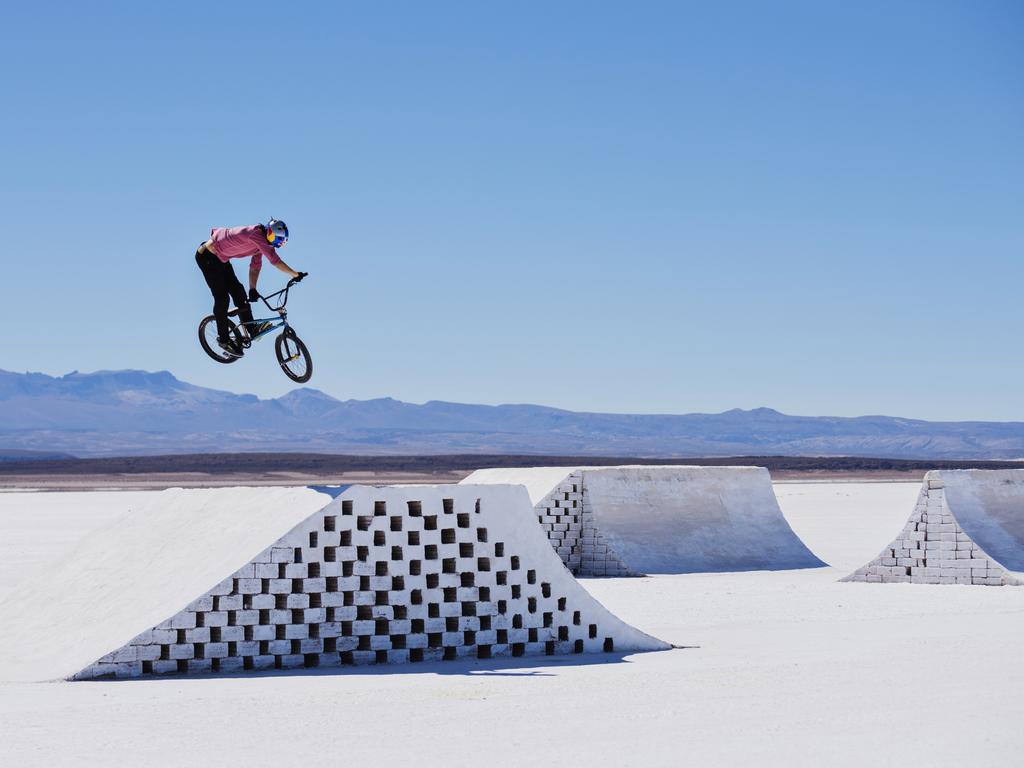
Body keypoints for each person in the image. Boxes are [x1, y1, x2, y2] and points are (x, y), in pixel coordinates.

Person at [195, 219, 306, 355]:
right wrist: (295, 275)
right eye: (274, 238)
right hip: (207, 256)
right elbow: (275, 261)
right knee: (222, 298)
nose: (274, 241)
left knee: (239, 292)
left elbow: (255, 267)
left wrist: (252, 289)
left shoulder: (261, 244)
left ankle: (250, 328)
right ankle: (224, 340)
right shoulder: (256, 235)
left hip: (221, 258)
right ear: (269, 233)